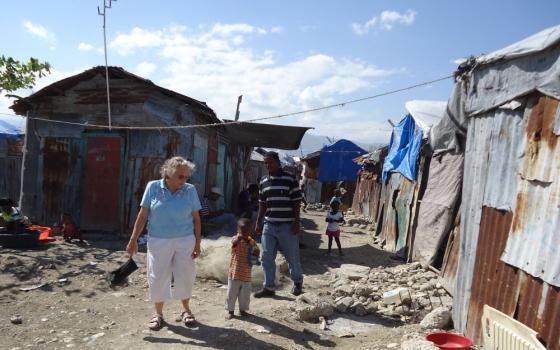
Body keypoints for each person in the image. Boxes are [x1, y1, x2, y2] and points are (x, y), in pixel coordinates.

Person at [126, 156, 202, 330]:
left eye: (187, 177)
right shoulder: (153, 187)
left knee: (185, 275)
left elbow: (197, 219)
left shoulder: (189, 190)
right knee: (157, 276)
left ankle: (186, 310)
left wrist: (197, 244)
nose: (184, 180)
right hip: (158, 240)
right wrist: (133, 239)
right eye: (181, 177)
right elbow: (143, 214)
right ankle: (158, 314)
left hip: (185, 240)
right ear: (168, 174)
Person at [254, 151, 304, 298]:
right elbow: (262, 204)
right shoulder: (263, 181)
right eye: (266, 163)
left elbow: (296, 202)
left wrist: (297, 222)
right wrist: (258, 223)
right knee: (267, 257)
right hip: (269, 224)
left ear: (277, 162)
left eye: (270, 162)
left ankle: (297, 282)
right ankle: (269, 287)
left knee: (292, 256)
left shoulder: (290, 179)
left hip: (287, 225)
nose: (268, 165)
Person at [225, 218, 257, 319]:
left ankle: (242, 310)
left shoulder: (252, 242)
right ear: (238, 230)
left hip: (246, 274)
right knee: (231, 294)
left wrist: (256, 253)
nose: (244, 233)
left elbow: (256, 252)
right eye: (242, 231)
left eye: (247, 231)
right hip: (234, 274)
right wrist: (239, 237)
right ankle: (230, 311)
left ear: (250, 231)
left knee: (245, 295)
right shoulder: (236, 240)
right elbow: (233, 241)